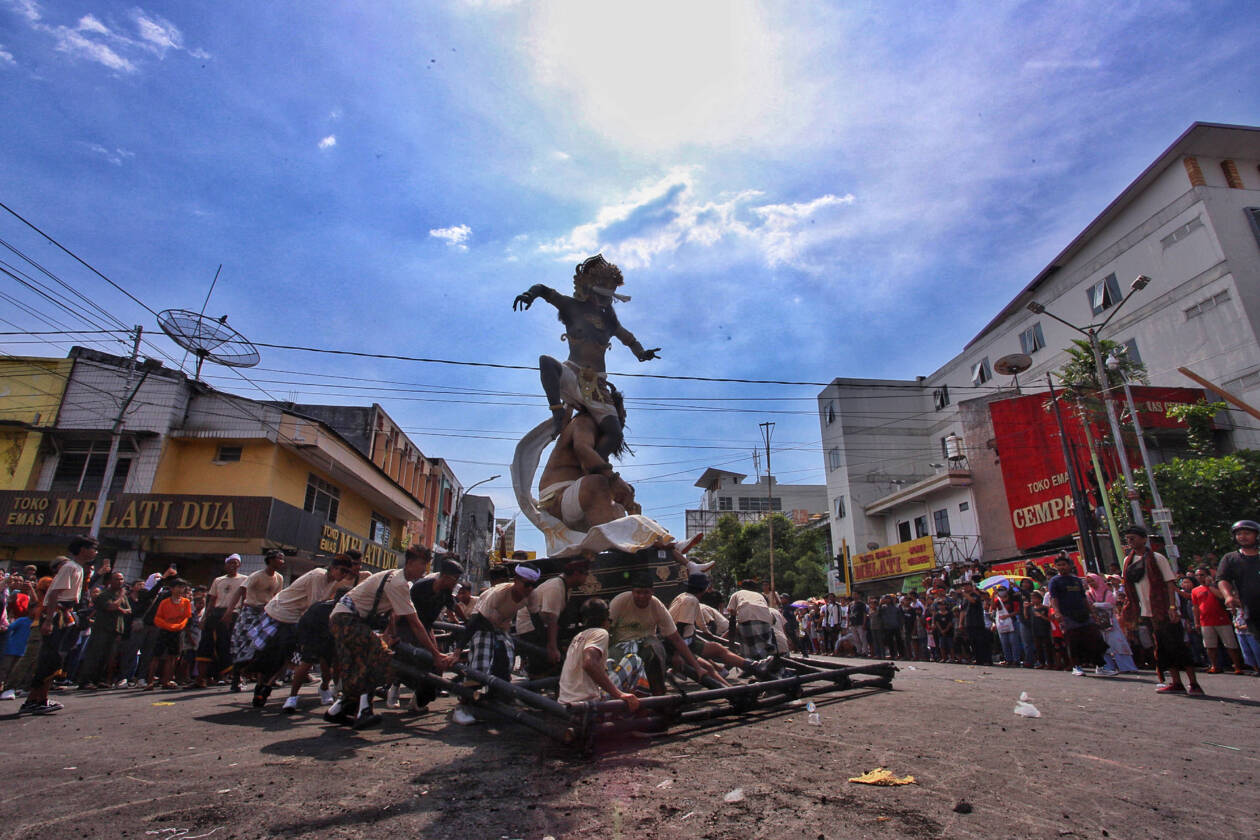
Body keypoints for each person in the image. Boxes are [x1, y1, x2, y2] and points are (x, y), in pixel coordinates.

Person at [513, 253, 659, 444]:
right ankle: (558, 413)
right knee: (546, 362)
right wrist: (530, 294)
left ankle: (598, 468)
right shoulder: (571, 306)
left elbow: (630, 340)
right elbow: (542, 289)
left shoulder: (610, 322)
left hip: (598, 386)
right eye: (602, 291)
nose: (605, 299)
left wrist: (642, 353)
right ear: (588, 287)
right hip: (572, 375)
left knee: (615, 435)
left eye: (609, 294)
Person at [327, 549, 458, 730]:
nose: (424, 570)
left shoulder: (399, 581)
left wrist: (391, 634)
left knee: (362, 664)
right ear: (410, 563)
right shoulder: (398, 583)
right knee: (381, 655)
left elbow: (394, 613)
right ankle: (364, 711)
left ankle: (336, 711)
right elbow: (416, 624)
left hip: (347, 619)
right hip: (346, 618)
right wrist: (436, 655)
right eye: (422, 565)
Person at [237, 554, 358, 708]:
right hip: (280, 613)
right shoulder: (318, 576)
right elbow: (315, 606)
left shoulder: (331, 582)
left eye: (347, 572)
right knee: (270, 654)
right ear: (333, 568)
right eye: (342, 570)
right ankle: (261, 686)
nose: (344, 575)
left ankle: (266, 687)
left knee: (287, 655)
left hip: (294, 618)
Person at [452, 564, 539, 726]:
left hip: (501, 627)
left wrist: (548, 645)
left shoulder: (531, 595)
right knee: (480, 665)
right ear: (516, 581)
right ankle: (462, 707)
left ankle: (494, 699)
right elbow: (474, 622)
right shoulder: (498, 594)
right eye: (526, 584)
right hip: (481, 626)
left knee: (506, 661)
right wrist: (457, 651)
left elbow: (537, 621)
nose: (529, 588)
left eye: (533, 585)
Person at [1122, 525, 1202, 694]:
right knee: (1163, 648)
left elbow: (1169, 583)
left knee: (1178, 646)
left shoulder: (1157, 558)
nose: (1130, 542)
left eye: (1133, 538)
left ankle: (1194, 684)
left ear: (1144, 539)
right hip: (1146, 611)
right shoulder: (1127, 562)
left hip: (1164, 609)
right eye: (1128, 539)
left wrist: (1172, 607)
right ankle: (1176, 682)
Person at [20, 536, 95, 716]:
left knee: (54, 659)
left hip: (64, 615)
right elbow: (54, 594)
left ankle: (36, 699)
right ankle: (37, 699)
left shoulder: (78, 568)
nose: (95, 552)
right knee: (50, 658)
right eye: (93, 549)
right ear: (83, 550)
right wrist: (48, 620)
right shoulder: (69, 567)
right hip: (56, 616)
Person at [612, 570, 717, 695]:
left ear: (652, 592)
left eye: (646, 593)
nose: (642, 596)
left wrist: (697, 667)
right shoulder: (620, 601)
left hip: (646, 646)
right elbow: (606, 630)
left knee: (653, 647)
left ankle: (658, 693)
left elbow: (676, 638)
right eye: (638, 593)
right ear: (632, 592)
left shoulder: (656, 605)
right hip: (621, 646)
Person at [537, 405, 639, 532]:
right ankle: (619, 542)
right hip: (556, 498)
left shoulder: (599, 436)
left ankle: (627, 541)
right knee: (597, 483)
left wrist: (626, 498)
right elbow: (583, 450)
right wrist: (614, 479)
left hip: (577, 501)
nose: (624, 416)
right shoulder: (584, 421)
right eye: (622, 412)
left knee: (620, 496)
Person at [669, 574, 773, 680]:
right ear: (704, 589)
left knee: (712, 661)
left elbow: (700, 621)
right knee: (719, 650)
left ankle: (734, 683)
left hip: (682, 638)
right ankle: (753, 666)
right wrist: (676, 654)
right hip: (680, 641)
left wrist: (707, 633)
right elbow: (681, 626)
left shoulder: (684, 597)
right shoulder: (691, 601)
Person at [557, 598, 642, 710]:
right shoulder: (600, 633)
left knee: (609, 663)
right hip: (586, 703)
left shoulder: (578, 636)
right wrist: (619, 694)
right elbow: (589, 663)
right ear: (605, 619)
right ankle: (640, 707)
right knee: (634, 660)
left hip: (565, 701)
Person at [225, 549, 285, 672]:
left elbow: (276, 597)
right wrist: (229, 610)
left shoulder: (279, 578)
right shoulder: (257, 576)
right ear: (271, 560)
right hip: (250, 612)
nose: (282, 562)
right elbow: (240, 591)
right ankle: (236, 676)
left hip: (266, 613)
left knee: (262, 645)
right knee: (243, 642)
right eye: (279, 558)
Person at [195, 554, 246, 689]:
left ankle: (228, 677)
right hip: (216, 614)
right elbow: (212, 600)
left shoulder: (244, 580)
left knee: (227, 645)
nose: (233, 565)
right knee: (206, 645)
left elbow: (245, 600)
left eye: (235, 563)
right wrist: (205, 617)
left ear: (239, 565)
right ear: (225, 565)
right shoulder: (218, 580)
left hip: (233, 614)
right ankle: (201, 679)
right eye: (230, 563)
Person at [76, 571, 130, 690]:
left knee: (108, 656)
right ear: (110, 581)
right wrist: (120, 600)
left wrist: (120, 605)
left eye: (121, 579)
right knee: (95, 655)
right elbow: (111, 607)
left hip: (116, 629)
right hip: (103, 628)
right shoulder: (104, 594)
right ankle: (85, 681)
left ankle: (100, 680)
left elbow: (128, 609)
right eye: (117, 579)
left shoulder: (122, 595)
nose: (120, 582)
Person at [1190, 566, 1244, 674]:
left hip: (1222, 619)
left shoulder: (1217, 586)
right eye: (1197, 575)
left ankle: (1237, 666)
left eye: (1202, 575)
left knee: (1230, 645)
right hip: (1205, 621)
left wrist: (1209, 585)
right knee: (1210, 646)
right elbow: (1195, 607)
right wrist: (1197, 623)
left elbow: (1221, 596)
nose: (1199, 577)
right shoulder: (1195, 590)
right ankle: (1215, 666)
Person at [1217, 520, 1260, 642]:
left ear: (1256, 535)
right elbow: (1222, 579)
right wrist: (1228, 596)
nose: (1242, 537)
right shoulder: (1230, 558)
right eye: (1239, 534)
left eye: (1247, 533)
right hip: (1251, 609)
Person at [147, 579, 193, 690]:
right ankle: (150, 682)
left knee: (172, 657)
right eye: (178, 587)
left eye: (182, 587)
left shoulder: (186, 602)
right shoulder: (165, 602)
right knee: (156, 656)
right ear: (172, 589)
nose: (180, 589)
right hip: (164, 630)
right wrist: (167, 625)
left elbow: (187, 617)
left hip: (177, 632)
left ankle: (166, 681)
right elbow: (158, 617)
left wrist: (178, 626)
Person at [726, 579, 781, 662]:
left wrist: (731, 643)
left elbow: (732, 618)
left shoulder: (737, 594)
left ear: (742, 588)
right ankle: (772, 658)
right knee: (765, 645)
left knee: (750, 649)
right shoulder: (759, 595)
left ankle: (754, 662)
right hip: (766, 618)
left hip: (748, 616)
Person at [958, 582, 991, 665]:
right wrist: (961, 623)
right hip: (968, 623)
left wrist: (964, 593)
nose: (965, 588)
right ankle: (978, 659)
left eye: (967, 586)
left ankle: (985, 659)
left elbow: (973, 601)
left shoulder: (975, 595)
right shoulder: (964, 598)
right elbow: (963, 611)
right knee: (972, 642)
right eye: (964, 586)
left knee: (980, 642)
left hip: (977, 623)